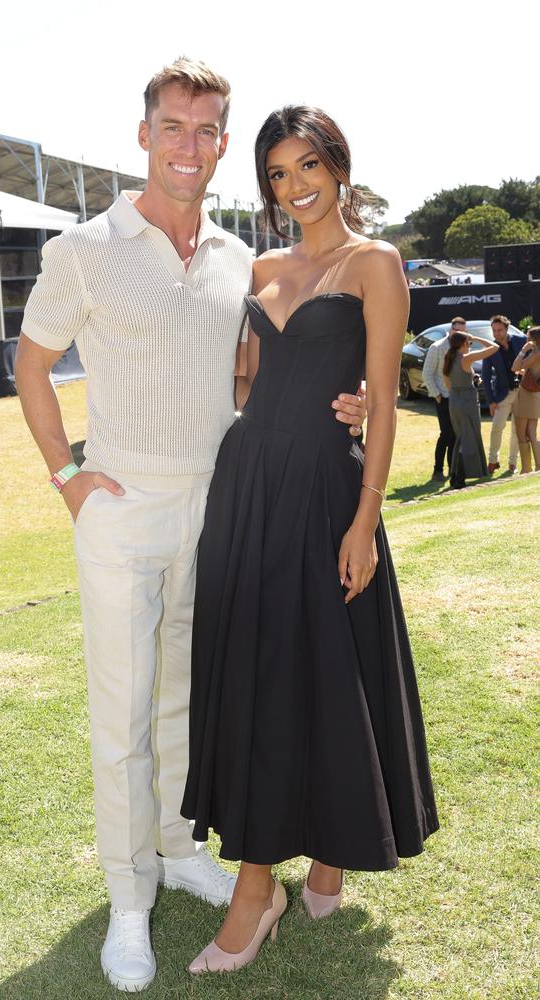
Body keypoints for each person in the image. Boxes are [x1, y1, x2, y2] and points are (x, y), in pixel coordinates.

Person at [14, 60, 366, 993]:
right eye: (174, 126)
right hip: (120, 512)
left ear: (222, 145)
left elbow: (252, 378)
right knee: (123, 718)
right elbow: (33, 363)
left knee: (186, 700)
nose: (190, 145)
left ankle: (176, 850)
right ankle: (130, 905)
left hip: (221, 511)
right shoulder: (84, 248)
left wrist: (353, 402)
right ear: (144, 135)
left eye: (208, 131)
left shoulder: (233, 260)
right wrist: (70, 478)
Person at [181, 105, 439, 976]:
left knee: (332, 669)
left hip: (328, 489)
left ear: (338, 163)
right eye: (278, 176)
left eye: (305, 167)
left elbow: (385, 398)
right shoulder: (259, 265)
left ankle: (272, 886)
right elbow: (248, 379)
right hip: (247, 483)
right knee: (263, 668)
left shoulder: (377, 263)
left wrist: (365, 517)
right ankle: (292, 866)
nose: (294, 189)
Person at [442, 331, 498, 489]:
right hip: (468, 403)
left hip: (455, 402)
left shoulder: (448, 357)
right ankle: (459, 478)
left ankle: (455, 475)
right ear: (462, 344)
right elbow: (494, 347)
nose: (470, 345)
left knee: (461, 437)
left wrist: (473, 381)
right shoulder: (466, 358)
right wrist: (476, 337)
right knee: (469, 438)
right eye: (469, 342)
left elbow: (448, 383)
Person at [482, 314, 526, 475]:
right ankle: (493, 461)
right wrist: (491, 401)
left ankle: (513, 463)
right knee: (496, 427)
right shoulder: (490, 348)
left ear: (507, 328)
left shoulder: (520, 340)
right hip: (502, 394)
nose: (496, 334)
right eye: (494, 330)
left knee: (517, 429)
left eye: (500, 330)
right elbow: (486, 377)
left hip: (523, 393)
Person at [421, 317, 463, 481]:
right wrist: (437, 395)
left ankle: (453, 469)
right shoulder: (437, 347)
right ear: (451, 329)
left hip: (458, 397)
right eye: (457, 330)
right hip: (443, 397)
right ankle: (437, 470)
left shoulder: (462, 346)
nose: (459, 333)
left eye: (462, 330)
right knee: (446, 434)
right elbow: (427, 373)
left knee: (454, 435)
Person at [512, 326, 540, 472]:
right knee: (531, 432)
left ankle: (527, 469)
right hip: (535, 395)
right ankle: (534, 467)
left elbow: (514, 367)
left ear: (534, 340)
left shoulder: (536, 353)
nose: (526, 339)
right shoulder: (536, 354)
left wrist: (523, 350)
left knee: (522, 433)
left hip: (527, 394)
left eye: (528, 338)